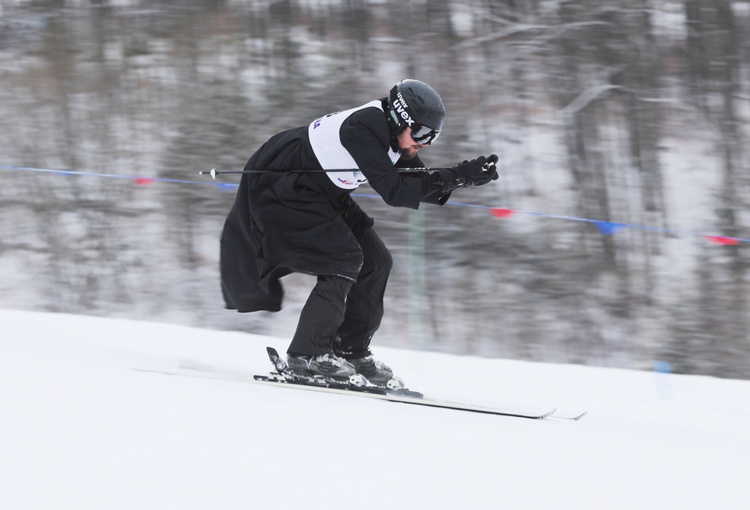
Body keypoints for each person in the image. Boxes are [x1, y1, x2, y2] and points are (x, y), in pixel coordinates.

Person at [220, 79, 498, 386]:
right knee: (344, 259)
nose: (426, 143)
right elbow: (394, 191)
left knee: (377, 261)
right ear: (400, 119)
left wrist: (466, 177)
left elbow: (417, 184)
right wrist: (455, 176)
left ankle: (350, 349)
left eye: (433, 136)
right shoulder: (364, 129)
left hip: (324, 193)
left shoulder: (396, 135)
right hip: (286, 187)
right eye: (421, 133)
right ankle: (307, 354)